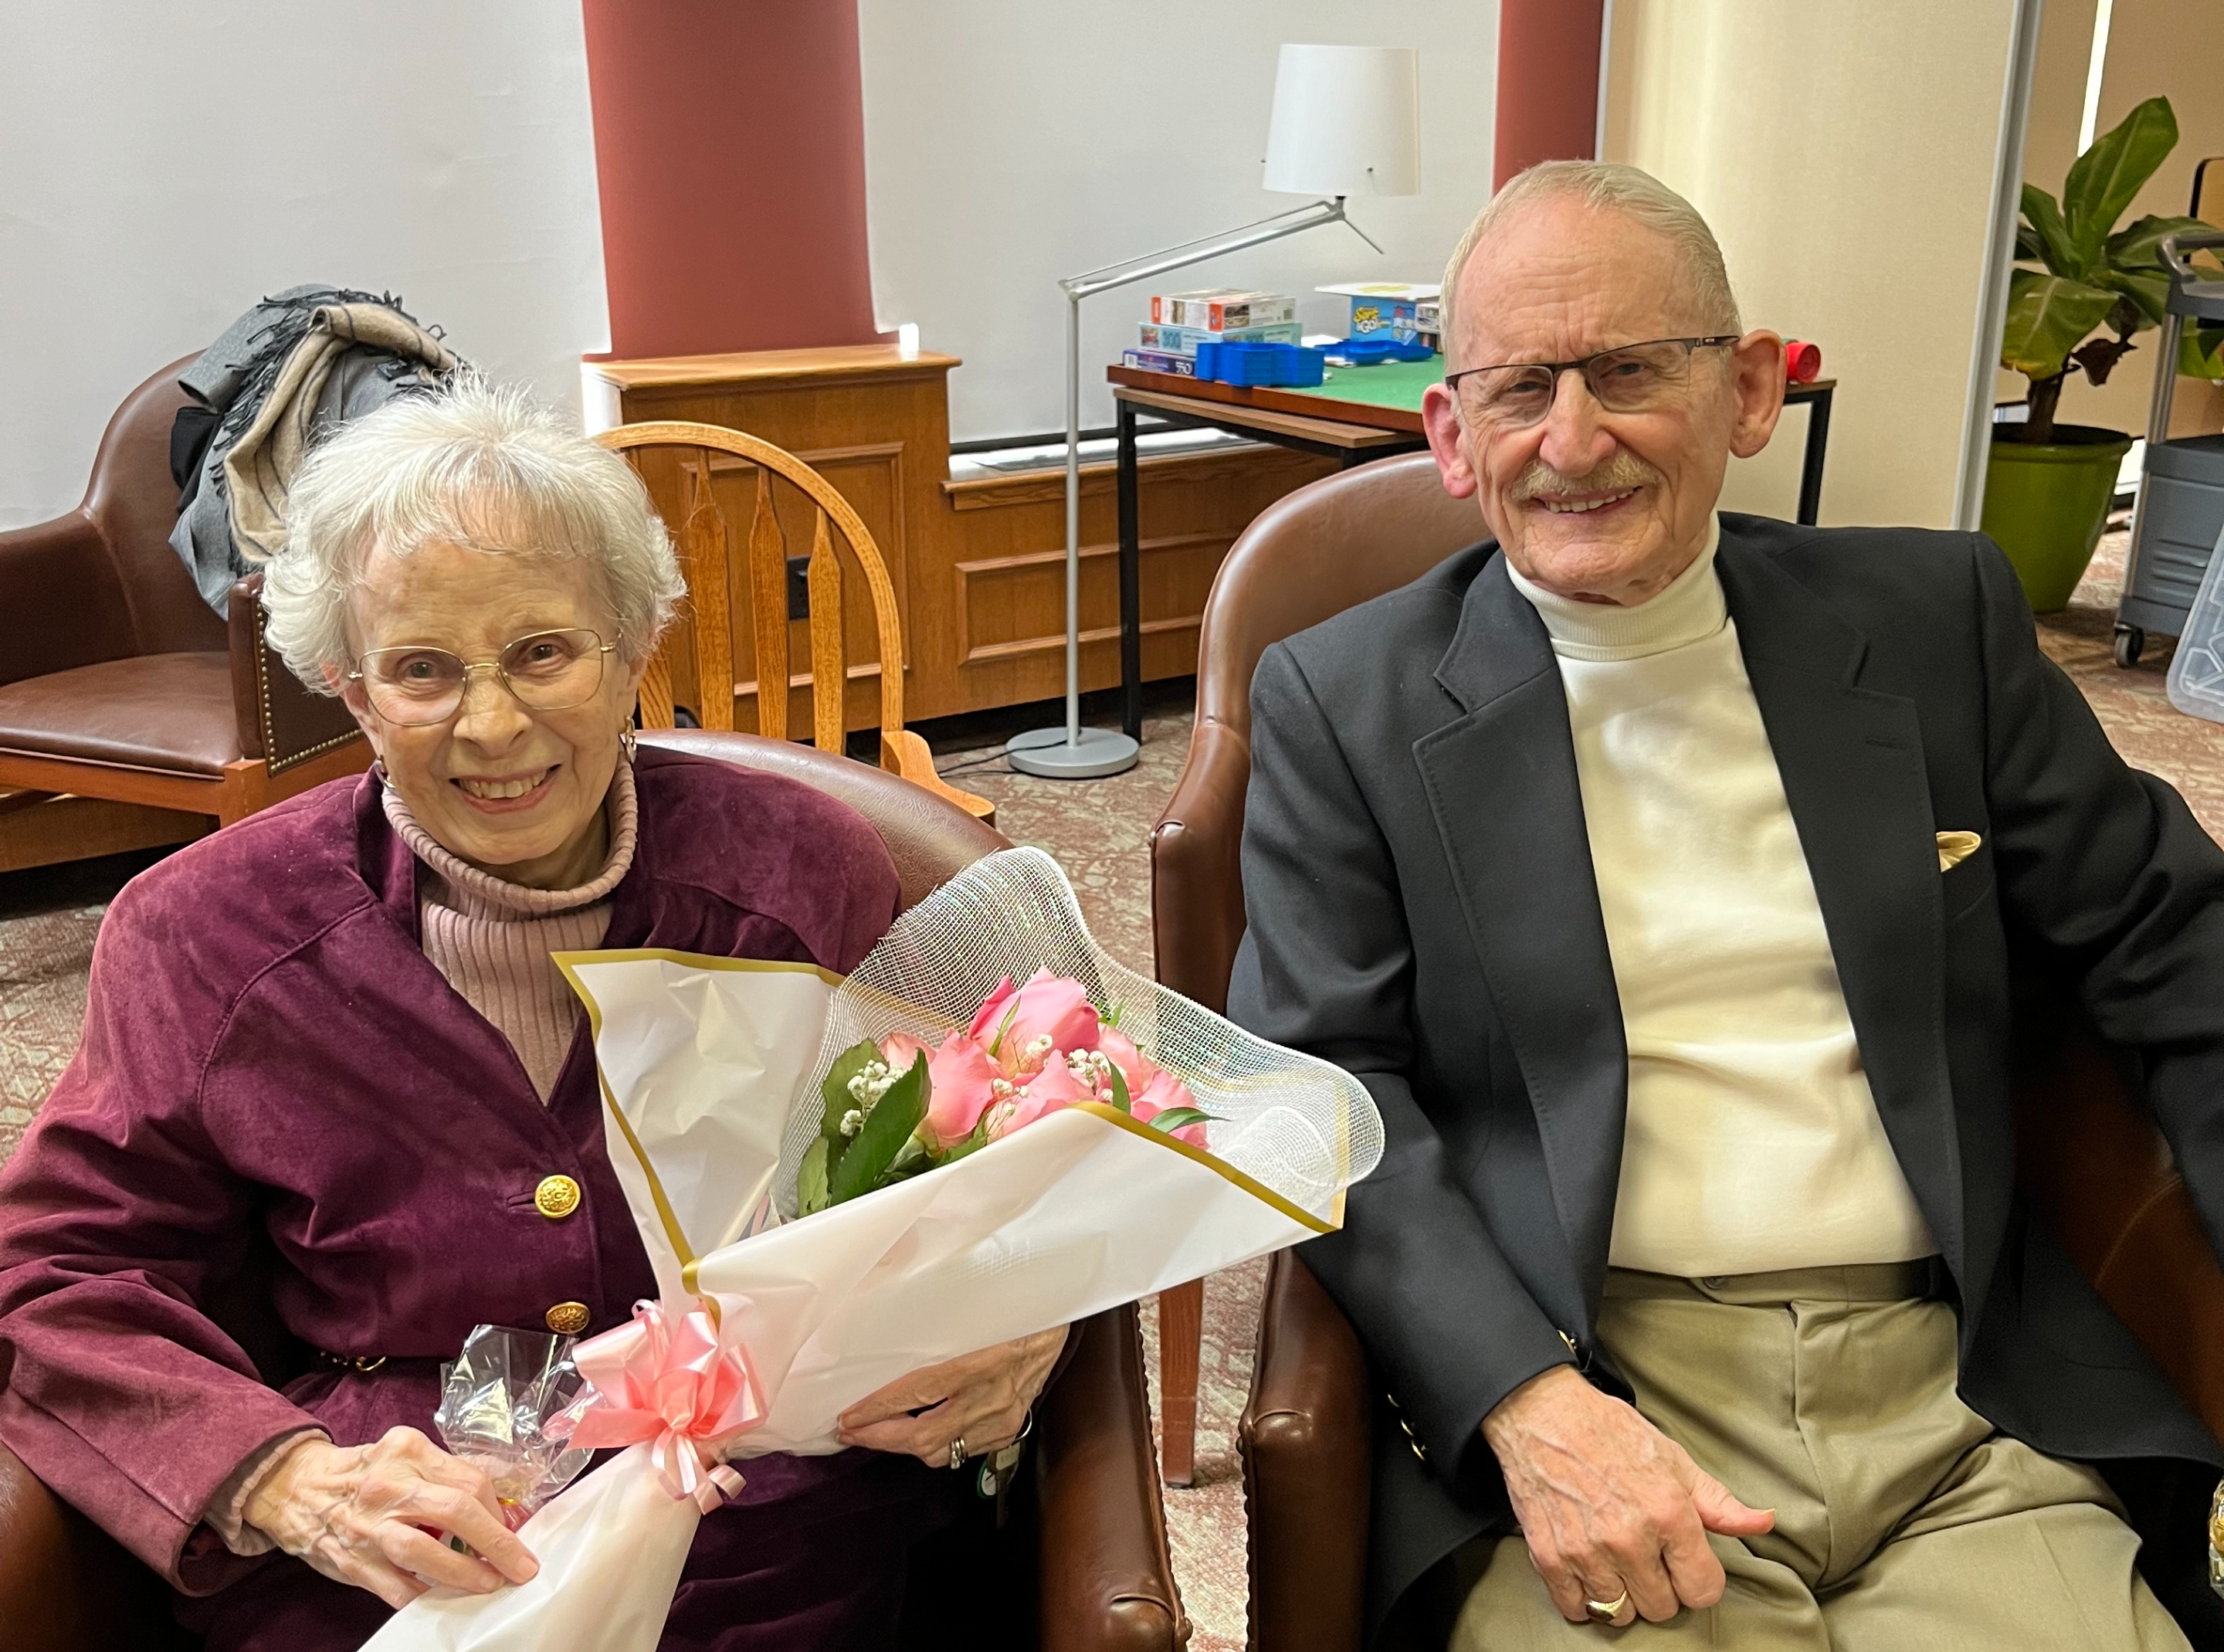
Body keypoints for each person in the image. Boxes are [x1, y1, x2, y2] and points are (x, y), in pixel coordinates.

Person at [1226, 160, 2224, 1650]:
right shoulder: (1344, 704)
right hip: (1605, 1383)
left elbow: (2181, 949)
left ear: (1749, 392)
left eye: (1630, 370)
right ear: (1451, 434)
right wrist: (1525, 1401)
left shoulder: (1932, 628)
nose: (1575, 440)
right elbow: (1313, 1089)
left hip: (1960, 1401)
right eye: (1518, 391)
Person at [0, 380, 1066, 1651]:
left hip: (763, 1534)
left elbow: (979, 1164)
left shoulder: (800, 872)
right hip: (394, 1549)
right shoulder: (204, 933)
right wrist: (282, 1478)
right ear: (348, 687)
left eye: (543, 652)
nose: (493, 725)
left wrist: (1021, 1318)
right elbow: (54, 1275)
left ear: (631, 646)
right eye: (422, 670)